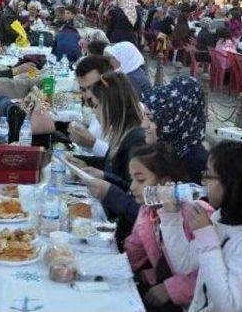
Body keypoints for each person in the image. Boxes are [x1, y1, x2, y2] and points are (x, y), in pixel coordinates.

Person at [159, 141, 242, 311]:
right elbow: (184, 264)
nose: (203, 182)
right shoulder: (226, 216)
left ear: (233, 184)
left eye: (209, 176)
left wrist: (206, 237)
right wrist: (171, 216)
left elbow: (229, 306)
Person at [125, 143, 213, 311]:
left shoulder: (197, 214)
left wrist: (170, 288)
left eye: (140, 180)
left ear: (165, 182)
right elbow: (134, 251)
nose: (132, 187)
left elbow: (209, 272)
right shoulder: (149, 211)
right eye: (132, 179)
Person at [73, 72, 146, 245]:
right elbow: (112, 166)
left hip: (126, 237)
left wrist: (108, 190)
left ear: (110, 106)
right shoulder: (122, 134)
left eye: (96, 106)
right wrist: (81, 162)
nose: (94, 112)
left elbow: (136, 199)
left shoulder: (136, 141)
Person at [141, 76, 208, 183]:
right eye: (145, 116)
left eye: (152, 119)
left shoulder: (196, 163)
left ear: (175, 119)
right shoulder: (164, 150)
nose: (144, 125)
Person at [86, 40, 151, 95]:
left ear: (125, 58)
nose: (111, 61)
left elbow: (117, 100)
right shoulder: (133, 71)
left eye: (114, 57)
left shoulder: (132, 79)